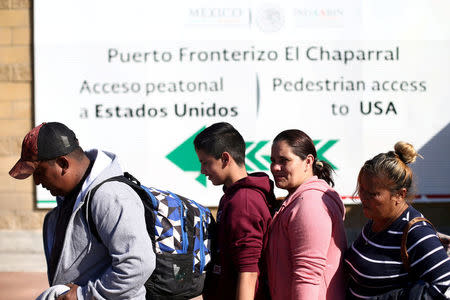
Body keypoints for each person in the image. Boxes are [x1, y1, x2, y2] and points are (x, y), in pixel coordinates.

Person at [9, 122, 155, 300]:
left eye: (39, 172)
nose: (37, 182)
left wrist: (83, 295)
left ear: (63, 164)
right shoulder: (69, 201)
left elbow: (138, 264)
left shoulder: (110, 196)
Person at [344, 142, 450, 299]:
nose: (363, 198)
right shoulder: (376, 221)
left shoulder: (417, 232)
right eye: (362, 190)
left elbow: (446, 287)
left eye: (373, 194)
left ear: (400, 195)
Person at [193, 122, 275, 300]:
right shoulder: (232, 196)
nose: (202, 170)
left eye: (205, 162)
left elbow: (249, 272)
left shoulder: (243, 202)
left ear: (225, 158)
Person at [266, 129, 347, 300]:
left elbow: (307, 276)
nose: (275, 167)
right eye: (273, 161)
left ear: (308, 161)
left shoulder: (310, 202)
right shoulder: (299, 198)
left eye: (284, 160)